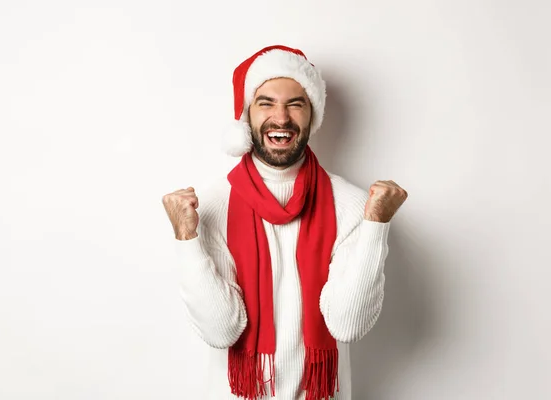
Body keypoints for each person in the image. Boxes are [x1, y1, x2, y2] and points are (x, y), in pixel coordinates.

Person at [162, 45, 408, 400]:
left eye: (296, 103)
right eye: (266, 103)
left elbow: (346, 324)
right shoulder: (211, 206)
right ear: (246, 117)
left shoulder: (354, 206)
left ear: (312, 116)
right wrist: (186, 238)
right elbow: (220, 331)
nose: (281, 117)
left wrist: (376, 227)